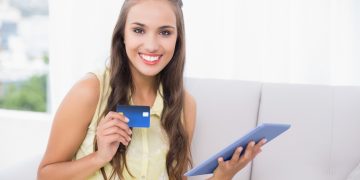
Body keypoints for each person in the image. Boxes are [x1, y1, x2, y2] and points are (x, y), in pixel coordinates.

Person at [37, 0, 266, 179]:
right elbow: (45, 175)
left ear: (178, 40)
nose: (151, 45)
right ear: (122, 36)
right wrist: (100, 157)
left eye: (165, 32)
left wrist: (223, 175)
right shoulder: (89, 91)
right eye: (139, 30)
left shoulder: (185, 106)